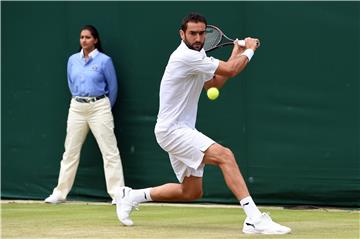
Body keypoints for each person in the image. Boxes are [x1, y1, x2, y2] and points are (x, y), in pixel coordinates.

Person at [115, 13, 291, 235]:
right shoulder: (185, 57)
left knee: (191, 192)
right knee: (225, 156)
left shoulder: (199, 57)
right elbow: (231, 70)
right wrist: (250, 49)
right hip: (172, 131)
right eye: (193, 33)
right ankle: (254, 219)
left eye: (201, 33)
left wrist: (236, 51)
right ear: (182, 34)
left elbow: (215, 82)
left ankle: (130, 196)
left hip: (179, 130)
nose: (198, 38)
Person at [45, 25, 124, 204]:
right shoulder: (73, 60)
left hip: (100, 107)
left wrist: (104, 107)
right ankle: (59, 193)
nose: (84, 40)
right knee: (70, 152)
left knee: (110, 152)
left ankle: (118, 194)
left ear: (95, 40)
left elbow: (113, 88)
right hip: (77, 107)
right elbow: (71, 83)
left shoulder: (105, 61)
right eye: (82, 37)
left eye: (88, 37)